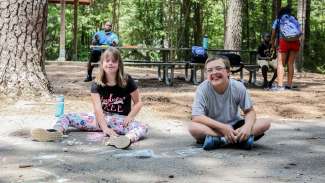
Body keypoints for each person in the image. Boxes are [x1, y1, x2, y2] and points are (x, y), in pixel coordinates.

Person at [32, 47, 148, 149]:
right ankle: (56, 132)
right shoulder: (97, 83)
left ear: (119, 64)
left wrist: (130, 116)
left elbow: (138, 103)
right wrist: (105, 129)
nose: (110, 64)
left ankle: (125, 140)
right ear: (102, 63)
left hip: (120, 121)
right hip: (99, 120)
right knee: (67, 116)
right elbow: (97, 109)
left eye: (114, 61)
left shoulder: (127, 80)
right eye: (107, 61)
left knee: (142, 127)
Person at [188, 55, 270, 150]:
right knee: (192, 127)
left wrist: (247, 127)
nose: (214, 72)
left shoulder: (238, 87)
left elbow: (249, 111)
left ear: (228, 71)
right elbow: (196, 116)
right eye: (210, 70)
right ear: (206, 74)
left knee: (265, 123)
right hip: (213, 127)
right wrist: (223, 128)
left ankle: (222, 140)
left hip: (236, 125)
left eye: (218, 68)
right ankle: (239, 139)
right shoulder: (202, 89)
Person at [271, 6, 302, 91]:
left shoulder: (278, 20)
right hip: (295, 41)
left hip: (284, 41)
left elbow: (273, 34)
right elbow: (300, 31)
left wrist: (272, 44)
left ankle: (280, 86)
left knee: (280, 63)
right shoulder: (293, 19)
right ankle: (289, 85)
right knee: (290, 63)